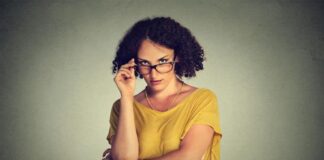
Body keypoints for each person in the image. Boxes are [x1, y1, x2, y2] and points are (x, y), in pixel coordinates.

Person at [102, 17, 222, 160]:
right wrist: (127, 96)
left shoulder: (202, 99)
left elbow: (189, 156)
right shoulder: (121, 107)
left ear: (177, 57)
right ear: (133, 63)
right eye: (144, 63)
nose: (154, 73)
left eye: (163, 61)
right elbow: (124, 158)